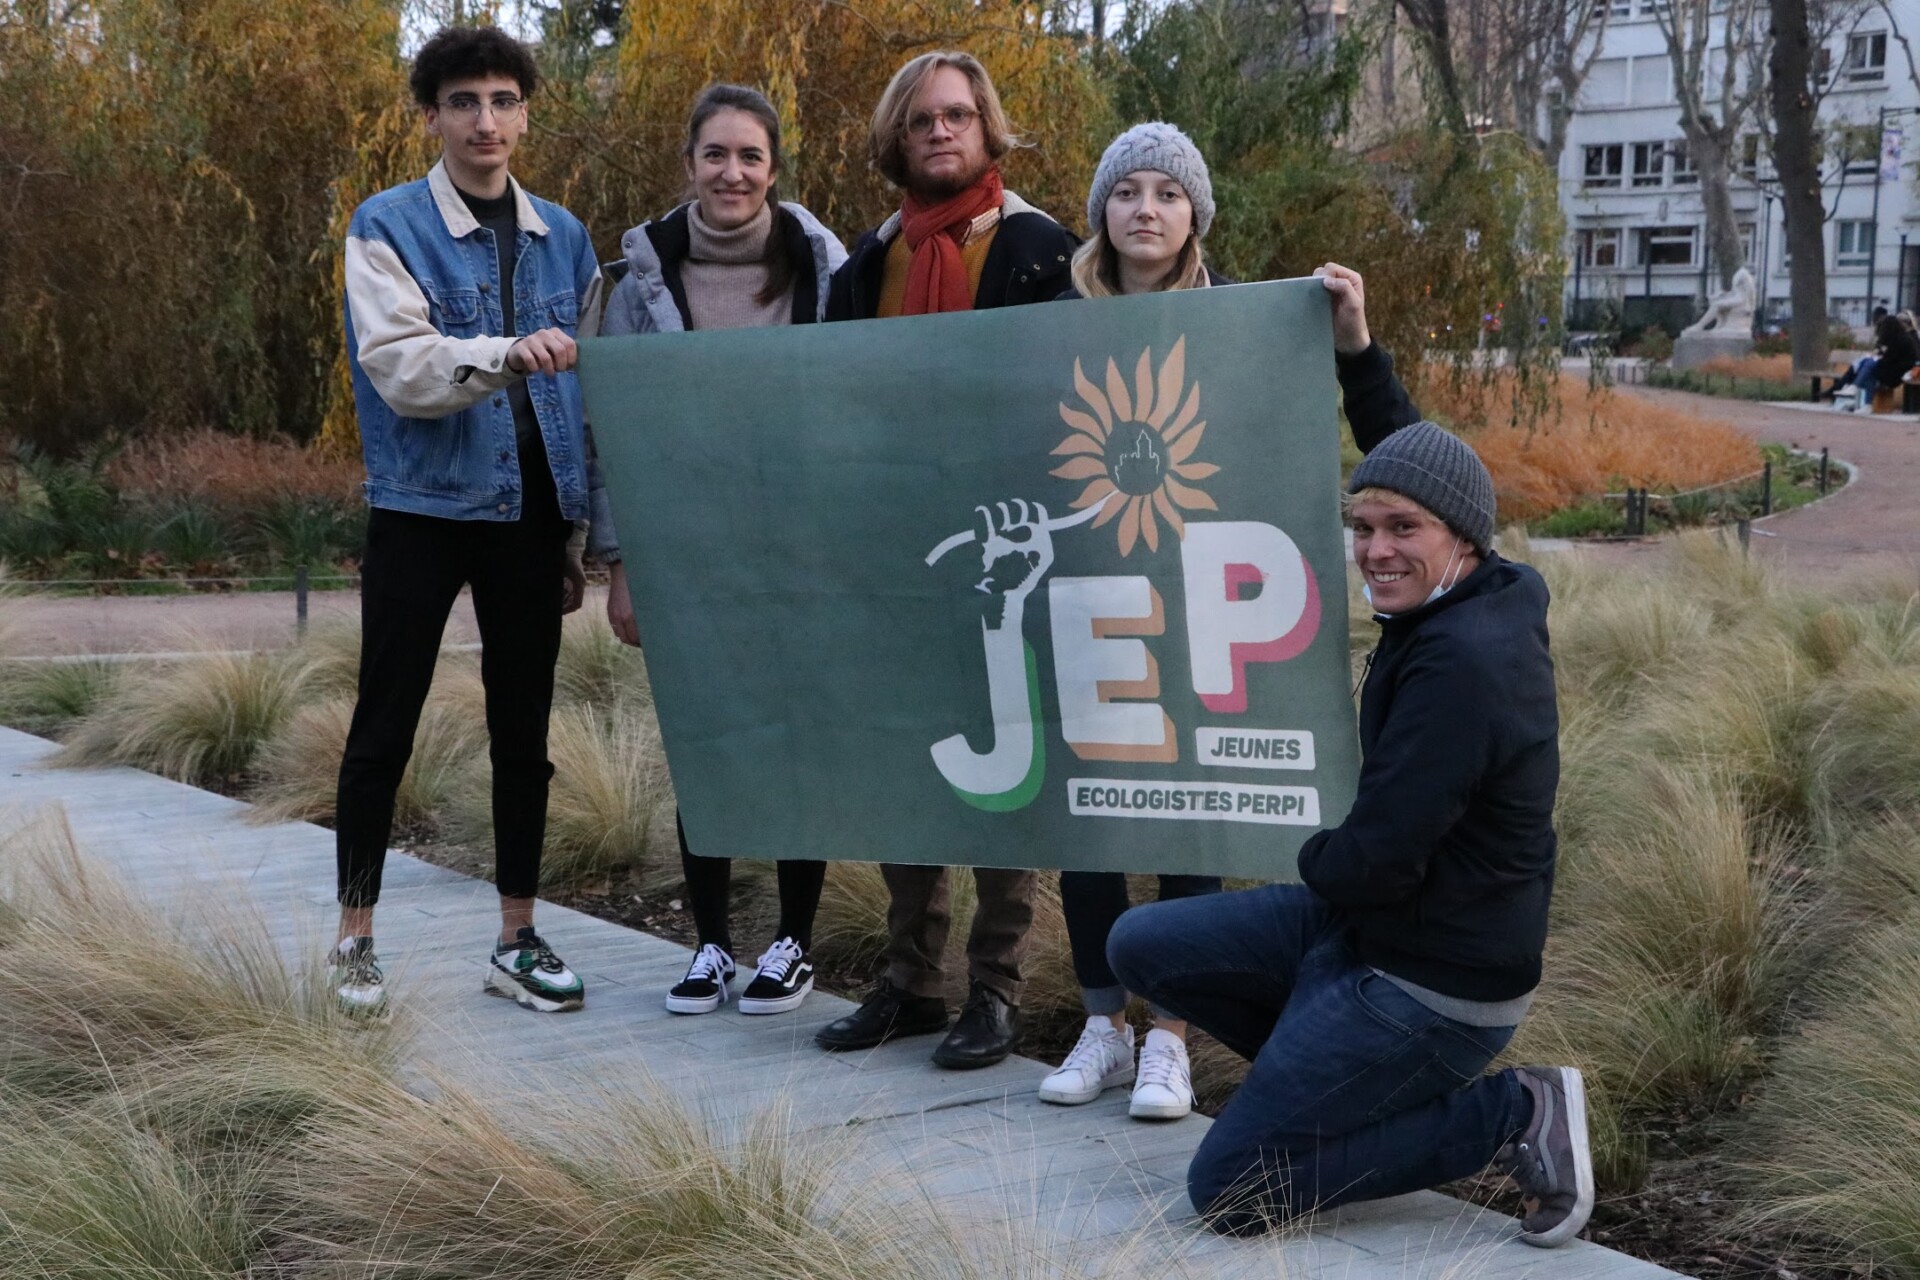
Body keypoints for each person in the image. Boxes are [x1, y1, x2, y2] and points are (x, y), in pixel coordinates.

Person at [1107, 424, 1593, 1247]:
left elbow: (1371, 863)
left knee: (1227, 1188)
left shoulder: (1464, 665)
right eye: (1362, 527)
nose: (1375, 550)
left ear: (1462, 537)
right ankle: (1335, 1088)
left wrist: (1305, 850)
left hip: (1434, 982)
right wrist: (1362, 357)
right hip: (1372, 929)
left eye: (1402, 529)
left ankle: (1513, 1114)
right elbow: (1430, 465)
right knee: (1141, 942)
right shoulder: (1488, 586)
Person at [1037, 122, 1423, 1124]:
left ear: (1195, 215)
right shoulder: (1053, 323)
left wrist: (1348, 338)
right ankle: (1101, 1023)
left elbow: (1379, 438)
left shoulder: (1249, 325)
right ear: (1103, 212)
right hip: (1088, 594)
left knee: (1187, 813)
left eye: (1169, 192)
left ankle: (1169, 1033)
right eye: (1129, 192)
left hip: (1202, 598)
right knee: (1087, 812)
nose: (1147, 209)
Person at [812, 50, 1080, 1070]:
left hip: (1009, 551)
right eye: (922, 119)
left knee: (1007, 769)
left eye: (959, 115)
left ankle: (997, 990)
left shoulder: (1044, 249)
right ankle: (910, 980)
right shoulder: (861, 271)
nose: (941, 131)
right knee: (907, 763)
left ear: (986, 128)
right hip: (895, 549)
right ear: (897, 135)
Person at [330, 25, 601, 1016]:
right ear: (433, 114)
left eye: (502, 100)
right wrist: (503, 350)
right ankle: (355, 938)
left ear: (526, 112)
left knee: (523, 729)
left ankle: (518, 934)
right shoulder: (386, 224)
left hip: (528, 517)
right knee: (383, 724)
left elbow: (589, 396)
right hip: (422, 510)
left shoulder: (563, 236)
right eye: (463, 102)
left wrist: (580, 528)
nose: (486, 121)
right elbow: (400, 365)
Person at [596, 83, 847, 1017]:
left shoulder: (827, 270)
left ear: (773, 168)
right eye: (715, 154)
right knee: (704, 745)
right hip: (686, 551)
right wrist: (620, 563)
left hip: (798, 549)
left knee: (794, 743)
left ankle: (793, 942)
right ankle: (707, 945)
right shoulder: (639, 282)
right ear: (690, 164)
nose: (732, 171)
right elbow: (613, 434)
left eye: (750, 155)